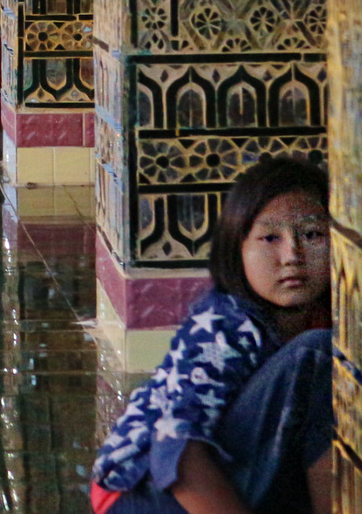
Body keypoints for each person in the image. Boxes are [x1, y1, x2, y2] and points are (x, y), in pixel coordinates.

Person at [91, 157, 334, 514]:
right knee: (313, 356)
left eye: (312, 235)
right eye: (270, 237)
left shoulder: (325, 314)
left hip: (198, 480)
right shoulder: (225, 326)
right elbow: (175, 449)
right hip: (141, 493)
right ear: (238, 250)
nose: (292, 255)